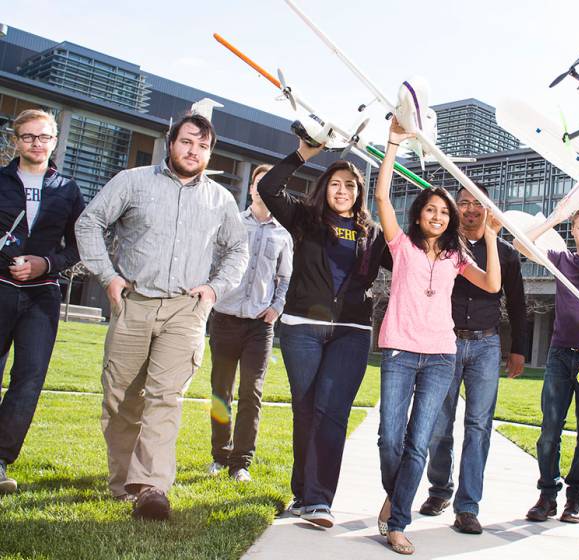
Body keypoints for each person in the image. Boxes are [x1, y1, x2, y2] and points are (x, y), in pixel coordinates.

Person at [75, 113, 248, 520]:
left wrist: (214, 289)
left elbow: (238, 250)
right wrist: (108, 276)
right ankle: (123, 483)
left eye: (203, 146)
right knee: (120, 400)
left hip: (185, 311)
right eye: (187, 142)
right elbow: (90, 222)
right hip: (133, 302)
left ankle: (152, 487)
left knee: (166, 398)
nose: (194, 151)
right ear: (171, 142)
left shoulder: (221, 199)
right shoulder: (132, 181)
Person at [374, 118, 501, 555]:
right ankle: (397, 494)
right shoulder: (401, 246)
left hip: (441, 357)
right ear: (419, 214)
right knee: (391, 437)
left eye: (444, 212)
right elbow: (381, 197)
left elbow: (492, 286)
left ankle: (398, 520)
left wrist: (490, 237)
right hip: (399, 352)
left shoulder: (456, 255)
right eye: (431, 209)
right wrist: (393, 143)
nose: (438, 215)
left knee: (420, 439)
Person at [257, 138, 391, 528]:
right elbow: (268, 188)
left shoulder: (372, 233)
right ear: (324, 187)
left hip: (350, 331)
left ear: (359, 193)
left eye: (350, 185)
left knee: (331, 412)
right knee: (306, 410)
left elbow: (404, 264)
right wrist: (303, 153)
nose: (343, 191)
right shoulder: (304, 219)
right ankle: (302, 493)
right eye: (336, 183)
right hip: (302, 327)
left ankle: (318, 500)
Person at [418, 183, 527, 533]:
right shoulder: (444, 246)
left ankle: (468, 506)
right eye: (462, 203)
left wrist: (518, 349)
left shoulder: (506, 253)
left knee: (479, 426)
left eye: (476, 203)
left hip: (485, 345)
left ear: (488, 209)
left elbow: (519, 305)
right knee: (438, 422)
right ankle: (439, 490)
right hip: (444, 344)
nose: (469, 209)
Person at [0, 109, 84, 494]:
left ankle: (0, 460)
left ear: (54, 142)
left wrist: (44, 264)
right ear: (16, 140)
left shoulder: (68, 189)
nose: (37, 144)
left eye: (44, 137)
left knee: (29, 378)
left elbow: (78, 245)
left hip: (42, 296)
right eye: (29, 137)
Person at [207, 164, 293, 483]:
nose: (265, 188)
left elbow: (285, 278)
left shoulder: (284, 233)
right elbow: (214, 263)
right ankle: (220, 455)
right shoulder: (231, 223)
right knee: (221, 391)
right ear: (252, 188)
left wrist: (276, 308)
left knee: (251, 392)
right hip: (225, 318)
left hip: (260, 326)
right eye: (260, 183)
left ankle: (241, 462)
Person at [512, 209, 579, 524]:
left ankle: (575, 497)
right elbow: (522, 245)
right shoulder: (562, 259)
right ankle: (547, 494)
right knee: (549, 430)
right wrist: (554, 219)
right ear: (572, 230)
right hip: (560, 355)